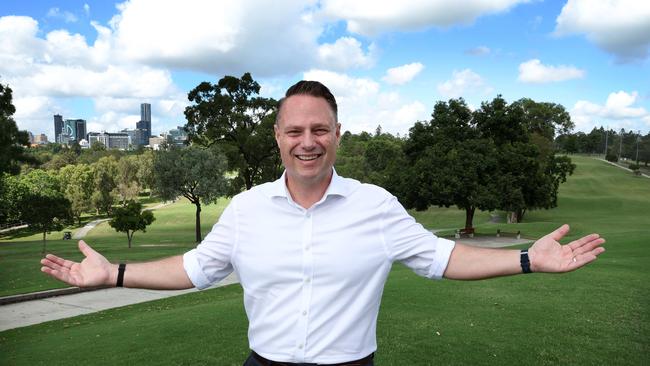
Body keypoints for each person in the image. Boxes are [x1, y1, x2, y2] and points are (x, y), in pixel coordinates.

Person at [41, 80, 605, 366]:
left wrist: (529, 259)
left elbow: (443, 259)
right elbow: (193, 271)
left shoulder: (377, 206)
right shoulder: (246, 209)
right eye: (294, 131)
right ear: (278, 138)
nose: (307, 142)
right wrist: (112, 274)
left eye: (319, 129)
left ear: (337, 134)